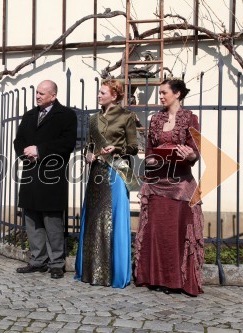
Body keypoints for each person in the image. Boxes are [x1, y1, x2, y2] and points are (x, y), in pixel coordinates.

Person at [133, 79, 204, 296]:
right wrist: (152, 160)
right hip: (156, 183)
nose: (161, 97)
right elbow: (150, 151)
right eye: (160, 93)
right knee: (156, 232)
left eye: (164, 92)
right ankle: (155, 278)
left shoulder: (190, 119)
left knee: (177, 233)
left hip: (181, 184)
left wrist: (189, 155)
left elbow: (195, 151)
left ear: (178, 93)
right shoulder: (155, 119)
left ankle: (176, 281)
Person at [74, 78, 139, 288]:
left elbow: (133, 147)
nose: (99, 95)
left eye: (103, 92)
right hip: (96, 173)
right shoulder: (93, 119)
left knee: (113, 220)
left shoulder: (127, 116)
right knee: (93, 218)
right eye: (99, 92)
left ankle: (114, 273)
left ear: (114, 94)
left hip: (117, 172)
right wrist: (88, 154)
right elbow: (90, 145)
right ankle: (91, 271)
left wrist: (117, 150)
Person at [13, 80, 77, 279]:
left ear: (53, 95)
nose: (38, 96)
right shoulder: (30, 115)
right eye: (37, 93)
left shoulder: (66, 115)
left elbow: (67, 143)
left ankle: (57, 262)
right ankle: (37, 260)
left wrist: (40, 151)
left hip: (52, 175)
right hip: (31, 172)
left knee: (52, 221)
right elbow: (18, 140)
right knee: (32, 220)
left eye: (42, 93)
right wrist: (26, 153)